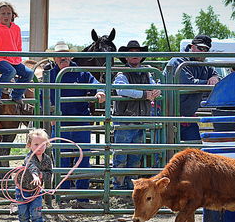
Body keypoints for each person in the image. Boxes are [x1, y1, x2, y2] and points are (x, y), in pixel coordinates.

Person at [43, 41, 106, 208]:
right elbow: (43, 96)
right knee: (62, 158)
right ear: (55, 58)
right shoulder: (49, 74)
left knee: (83, 157)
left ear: (70, 56)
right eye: (59, 55)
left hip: (80, 121)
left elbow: (96, 84)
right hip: (61, 121)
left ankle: (82, 196)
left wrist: (100, 91)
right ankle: (63, 194)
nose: (63, 58)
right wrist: (50, 112)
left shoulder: (81, 72)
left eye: (65, 54)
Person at [112, 41, 160, 190]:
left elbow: (155, 85)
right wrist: (144, 94)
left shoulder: (147, 72)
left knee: (135, 157)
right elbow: (121, 90)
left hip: (139, 119)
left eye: (137, 52)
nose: (135, 55)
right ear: (126, 57)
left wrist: (156, 91)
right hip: (125, 119)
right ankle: (119, 188)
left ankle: (131, 188)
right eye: (131, 52)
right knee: (121, 155)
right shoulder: (121, 73)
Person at [166, 34, 220, 141]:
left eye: (206, 49)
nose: (203, 52)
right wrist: (209, 84)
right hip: (169, 115)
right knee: (168, 148)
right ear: (192, 47)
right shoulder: (178, 61)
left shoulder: (204, 65)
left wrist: (215, 77)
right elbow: (188, 83)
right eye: (200, 48)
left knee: (194, 148)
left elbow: (218, 76)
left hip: (187, 116)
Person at [0, 1, 34, 105]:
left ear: (13, 15)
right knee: (11, 72)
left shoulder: (16, 28)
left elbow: (18, 45)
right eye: (3, 13)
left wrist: (18, 58)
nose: (6, 16)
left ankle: (16, 95)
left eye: (8, 13)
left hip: (13, 59)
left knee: (29, 73)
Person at [16, 129, 53, 222]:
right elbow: (31, 166)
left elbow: (49, 173)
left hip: (36, 191)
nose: (40, 147)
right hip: (22, 190)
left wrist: (42, 176)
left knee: (36, 214)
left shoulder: (47, 159)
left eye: (42, 144)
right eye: (36, 144)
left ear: (46, 144)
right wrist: (35, 175)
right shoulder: (29, 157)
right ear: (29, 145)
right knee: (23, 214)